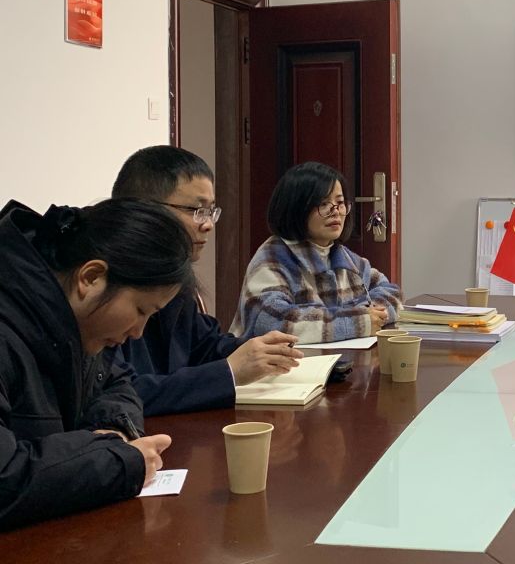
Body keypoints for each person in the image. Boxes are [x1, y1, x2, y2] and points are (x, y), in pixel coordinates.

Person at [0, 198, 193, 530]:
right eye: (141, 310)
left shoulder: (76, 324)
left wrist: (113, 430)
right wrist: (116, 459)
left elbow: (117, 383)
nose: (138, 332)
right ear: (91, 277)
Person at [107, 146, 303, 415]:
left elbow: (204, 346)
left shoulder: (176, 279)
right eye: (196, 210)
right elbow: (120, 395)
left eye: (211, 211)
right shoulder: (106, 285)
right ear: (145, 210)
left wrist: (261, 352)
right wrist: (229, 372)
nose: (208, 224)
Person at [230, 161, 402, 342]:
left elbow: (392, 292)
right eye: (323, 203)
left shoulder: (343, 256)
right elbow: (272, 321)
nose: (335, 212)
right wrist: (359, 322)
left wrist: (374, 315)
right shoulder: (273, 258)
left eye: (340, 203)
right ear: (296, 208)